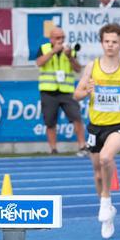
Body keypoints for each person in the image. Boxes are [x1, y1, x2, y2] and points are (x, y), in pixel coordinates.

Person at [73, 23, 120, 239]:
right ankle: (108, 212)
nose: (110, 45)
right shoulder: (92, 67)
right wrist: (87, 90)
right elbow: (77, 94)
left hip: (119, 126)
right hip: (96, 126)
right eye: (107, 41)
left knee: (105, 158)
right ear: (102, 43)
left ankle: (105, 201)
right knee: (97, 172)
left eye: (114, 42)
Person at [35, 26, 88, 155]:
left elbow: (78, 69)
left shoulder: (69, 50)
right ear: (51, 39)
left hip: (66, 91)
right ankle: (53, 149)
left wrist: (70, 57)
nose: (61, 40)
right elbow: (39, 63)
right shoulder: (44, 48)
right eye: (58, 38)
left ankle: (82, 146)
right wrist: (53, 51)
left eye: (63, 37)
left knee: (77, 118)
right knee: (50, 122)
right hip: (48, 91)